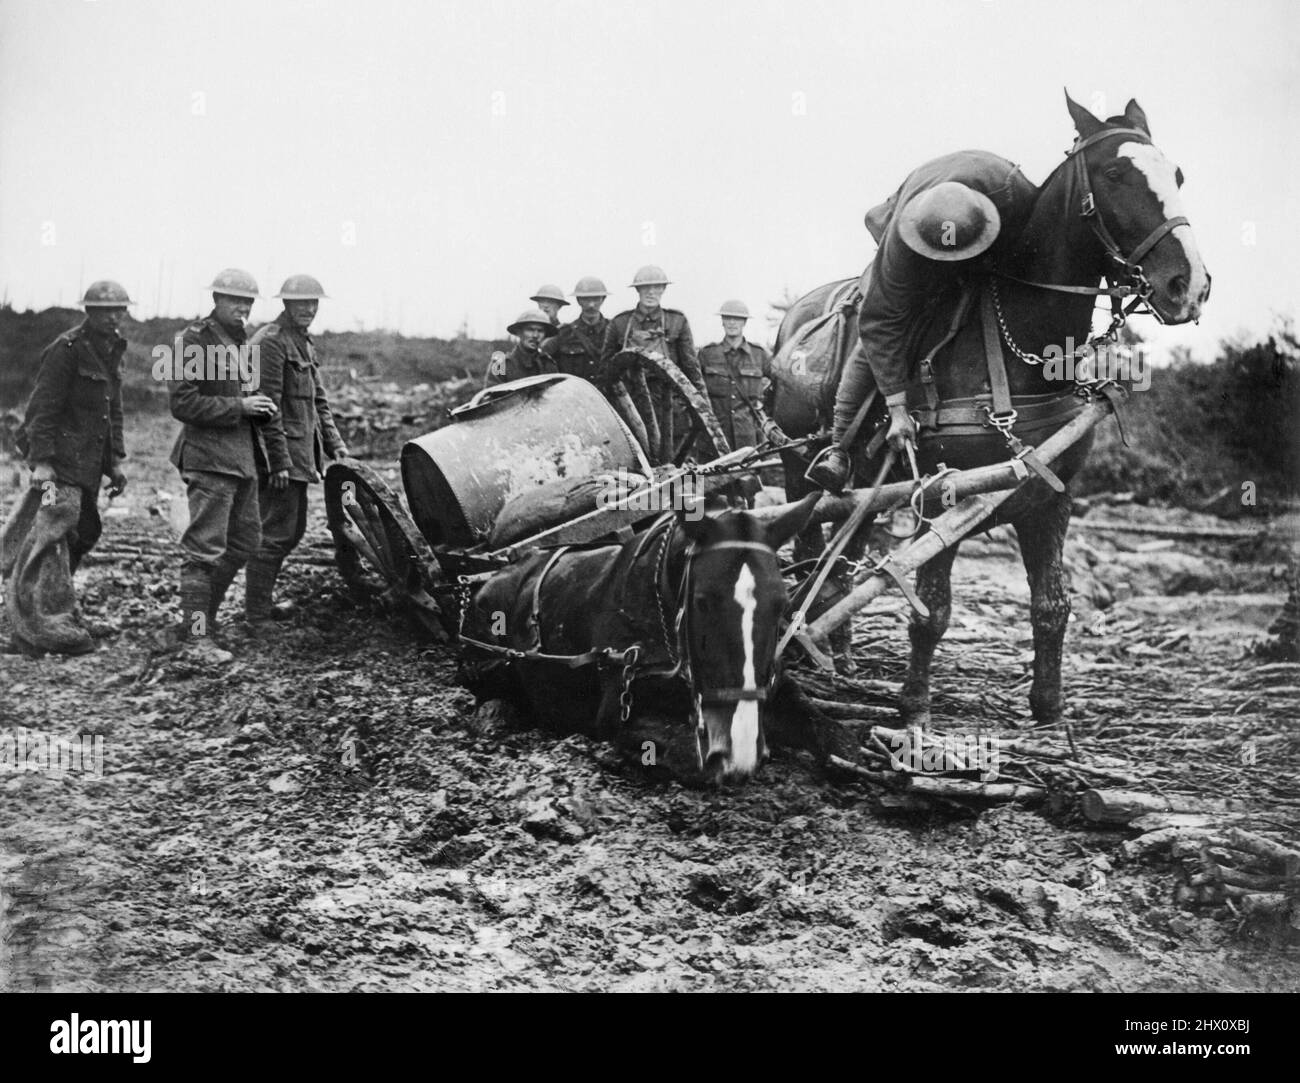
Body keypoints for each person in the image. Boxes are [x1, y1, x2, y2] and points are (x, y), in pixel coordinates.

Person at [806, 152, 1038, 492]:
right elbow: (878, 324)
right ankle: (839, 450)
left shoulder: (1016, 196)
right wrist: (898, 410)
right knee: (872, 340)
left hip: (990, 241)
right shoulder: (901, 246)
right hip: (908, 236)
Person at [2, 281, 133, 654]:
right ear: (88, 312)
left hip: (86, 463)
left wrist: (116, 461)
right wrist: (41, 461)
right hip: (58, 465)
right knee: (51, 533)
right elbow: (42, 408)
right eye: (105, 310)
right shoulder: (66, 350)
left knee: (86, 530)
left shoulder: (111, 350)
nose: (113, 316)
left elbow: (112, 413)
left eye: (119, 310)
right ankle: (42, 624)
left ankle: (39, 605)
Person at [168, 268, 278, 663]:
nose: (243, 308)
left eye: (248, 302)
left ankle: (201, 621)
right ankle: (196, 639)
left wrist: (258, 408)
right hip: (209, 459)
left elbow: (241, 396)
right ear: (216, 300)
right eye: (235, 300)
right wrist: (239, 407)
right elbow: (182, 403)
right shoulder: (193, 341)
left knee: (245, 541)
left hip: (242, 459)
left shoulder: (239, 342)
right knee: (203, 551)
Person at [244, 274, 349, 624]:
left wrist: (336, 445)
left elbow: (319, 400)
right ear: (286, 304)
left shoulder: (303, 342)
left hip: (300, 456)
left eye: (313, 303)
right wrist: (277, 463)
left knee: (291, 531)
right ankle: (257, 615)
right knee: (276, 533)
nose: (308, 309)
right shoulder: (269, 343)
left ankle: (261, 606)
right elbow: (266, 408)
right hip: (281, 459)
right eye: (300, 303)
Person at [601, 265, 708, 465]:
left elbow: (691, 369)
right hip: (632, 407)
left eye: (657, 287)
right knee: (632, 465)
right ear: (637, 290)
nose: (651, 292)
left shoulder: (677, 321)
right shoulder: (620, 324)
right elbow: (606, 372)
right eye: (645, 288)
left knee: (675, 469)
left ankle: (676, 497)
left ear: (663, 290)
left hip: (670, 409)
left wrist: (703, 409)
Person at [543, 276, 608, 382]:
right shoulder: (563, 333)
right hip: (573, 396)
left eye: (596, 299)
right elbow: (541, 361)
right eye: (586, 299)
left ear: (603, 299)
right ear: (578, 301)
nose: (591, 305)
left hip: (606, 397)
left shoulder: (615, 331)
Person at [484, 309, 559, 387]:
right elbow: (491, 396)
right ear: (519, 332)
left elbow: (557, 395)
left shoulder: (548, 364)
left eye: (540, 331)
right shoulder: (501, 364)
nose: (535, 335)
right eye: (530, 329)